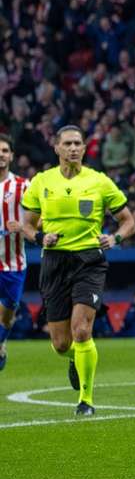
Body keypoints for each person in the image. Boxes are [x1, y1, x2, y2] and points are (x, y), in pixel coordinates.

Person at [20, 125, 135, 416]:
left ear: (84, 149)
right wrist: (38, 237)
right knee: (61, 343)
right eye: (67, 144)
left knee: (82, 331)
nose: (73, 148)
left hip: (89, 261)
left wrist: (115, 237)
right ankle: (75, 358)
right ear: (56, 147)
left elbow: (128, 221)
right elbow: (27, 224)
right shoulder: (41, 182)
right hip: (55, 261)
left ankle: (86, 400)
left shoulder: (99, 182)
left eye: (78, 144)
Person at [0, 134, 28, 371]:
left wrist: (23, 227)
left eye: (5, 150)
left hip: (13, 264)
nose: (1, 154)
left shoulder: (23, 186)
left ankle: (2, 342)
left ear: (11, 156)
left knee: (7, 316)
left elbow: (39, 220)